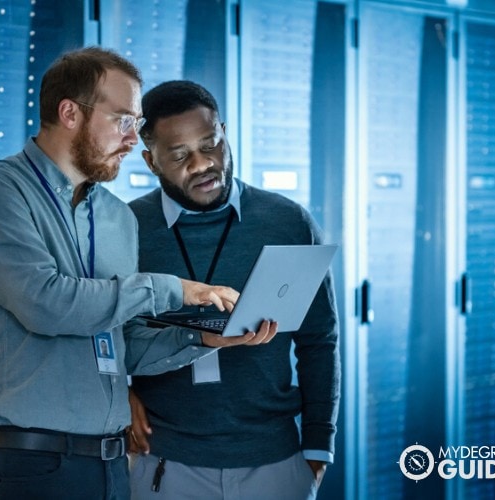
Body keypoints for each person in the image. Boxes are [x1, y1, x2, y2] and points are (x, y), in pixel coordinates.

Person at [0, 48, 278, 500]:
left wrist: (204, 339)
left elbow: (123, 345)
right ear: (69, 112)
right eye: (123, 120)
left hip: (110, 465)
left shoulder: (115, 217)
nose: (133, 140)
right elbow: (46, 304)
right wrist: (174, 289)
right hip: (28, 464)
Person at [127, 80, 341, 500]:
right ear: (151, 162)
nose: (203, 164)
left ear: (224, 132)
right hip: (165, 465)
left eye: (211, 144)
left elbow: (320, 341)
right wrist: (121, 393)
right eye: (180, 155)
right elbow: (103, 334)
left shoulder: (287, 221)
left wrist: (317, 449)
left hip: (275, 463)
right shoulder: (128, 230)